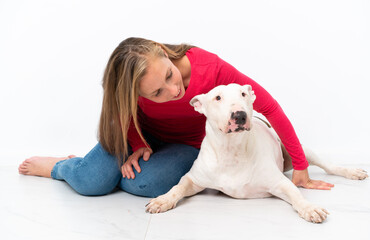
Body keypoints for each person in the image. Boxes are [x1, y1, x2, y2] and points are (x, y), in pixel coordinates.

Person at [18, 37, 334, 198]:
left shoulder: (213, 69)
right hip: (139, 136)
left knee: (145, 184)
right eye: (156, 92)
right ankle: (64, 165)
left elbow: (270, 108)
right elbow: (122, 113)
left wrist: (301, 166)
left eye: (170, 75)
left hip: (185, 144)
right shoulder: (128, 91)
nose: (173, 90)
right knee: (90, 182)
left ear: (163, 52)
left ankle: (96, 166)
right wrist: (137, 143)